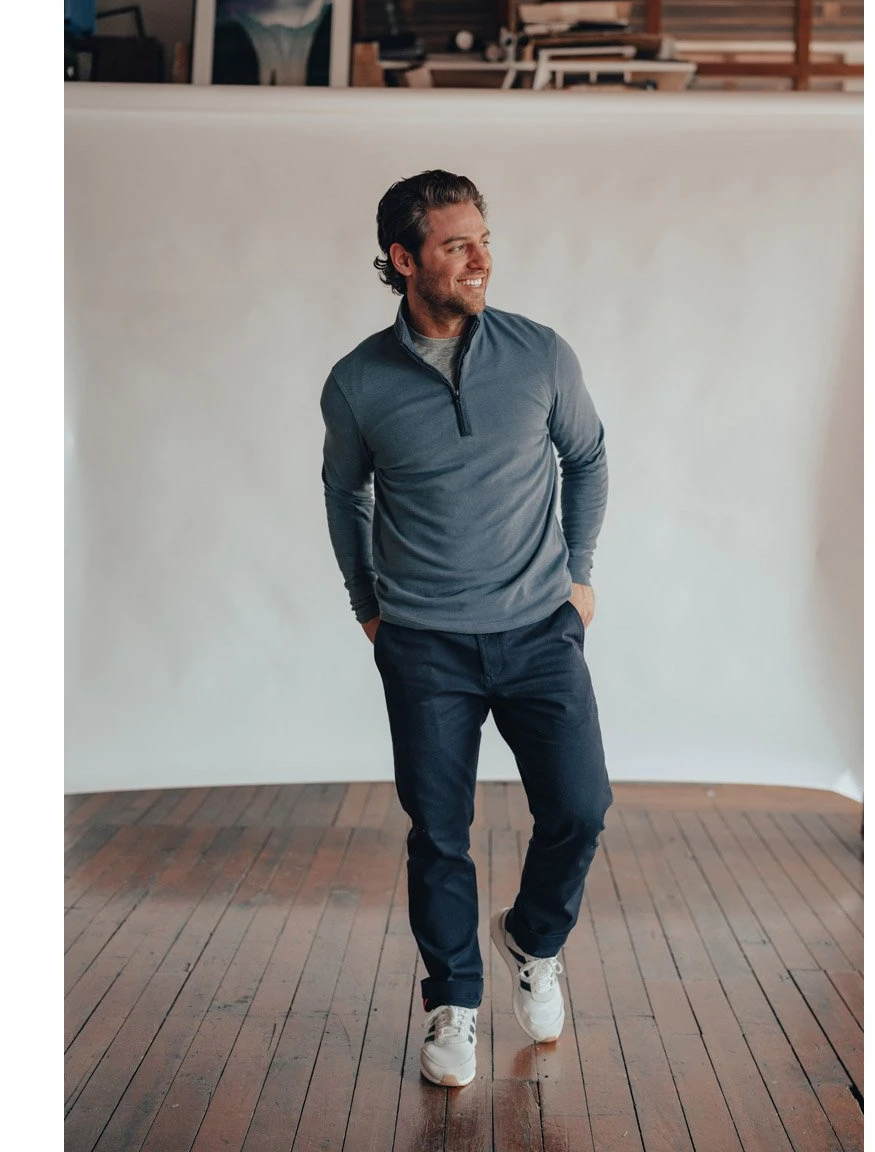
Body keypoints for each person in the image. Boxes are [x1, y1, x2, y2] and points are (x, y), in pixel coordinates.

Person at [319, 169, 613, 1088]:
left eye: (484, 238)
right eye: (457, 244)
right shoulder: (358, 381)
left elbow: (588, 457)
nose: (481, 258)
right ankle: (453, 1001)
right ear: (404, 260)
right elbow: (344, 493)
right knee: (439, 832)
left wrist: (579, 576)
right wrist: (367, 605)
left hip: (538, 632)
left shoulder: (540, 354)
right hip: (424, 644)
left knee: (580, 808)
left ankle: (533, 939)